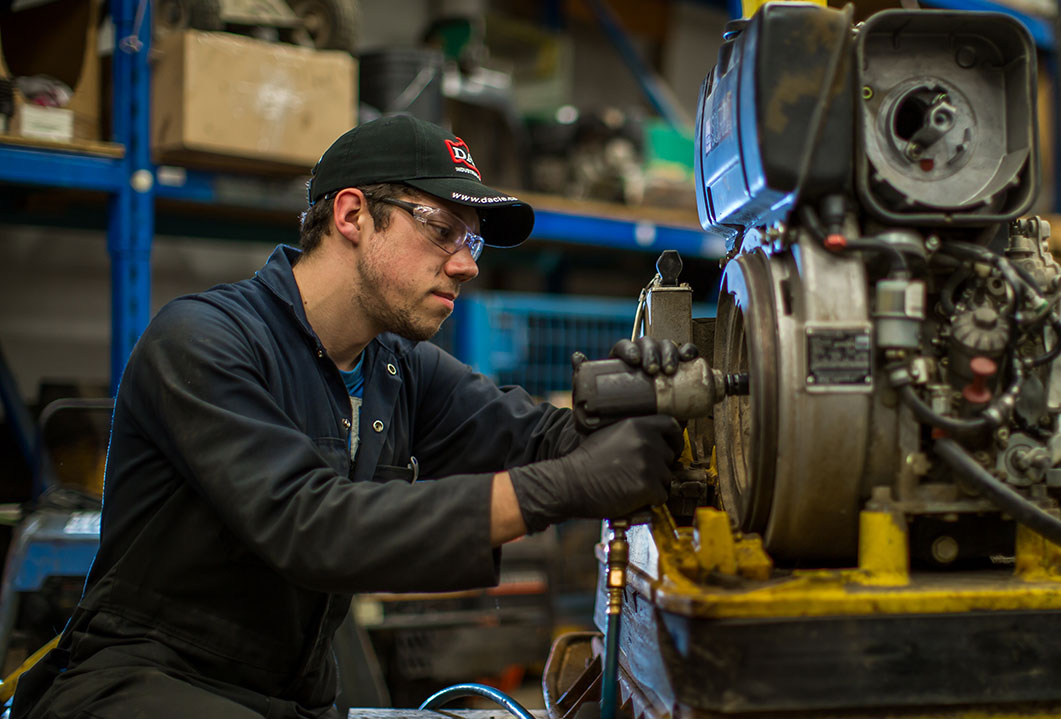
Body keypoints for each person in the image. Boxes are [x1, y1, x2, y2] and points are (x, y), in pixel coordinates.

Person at [13, 116, 690, 718]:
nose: (465, 265)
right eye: (442, 231)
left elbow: (539, 439)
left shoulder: (395, 366)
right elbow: (313, 522)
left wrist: (630, 404)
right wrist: (563, 489)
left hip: (293, 694)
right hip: (146, 681)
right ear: (351, 215)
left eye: (473, 243)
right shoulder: (203, 341)